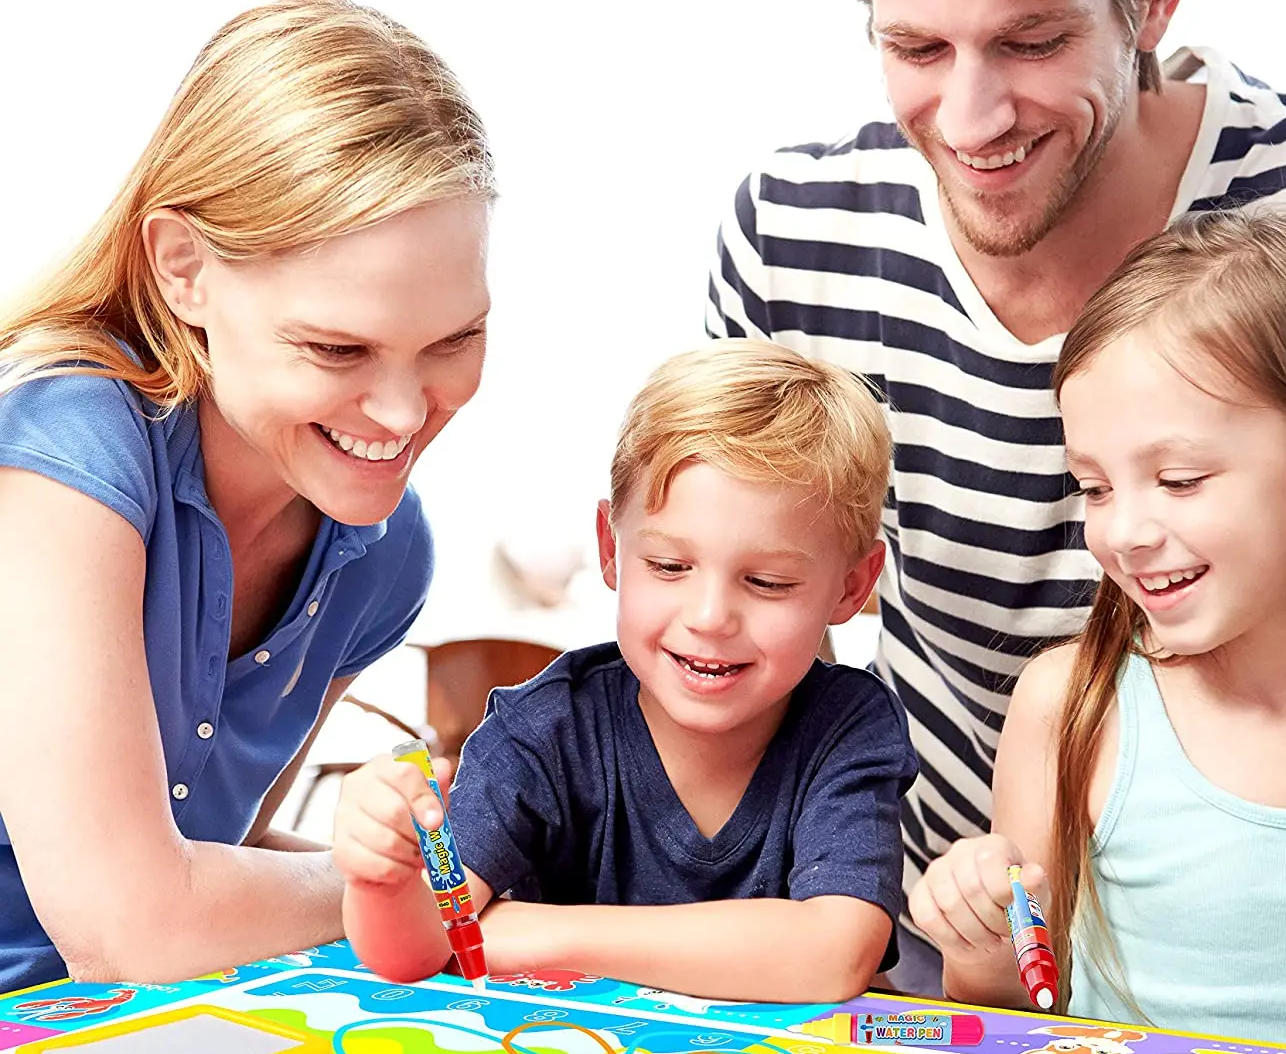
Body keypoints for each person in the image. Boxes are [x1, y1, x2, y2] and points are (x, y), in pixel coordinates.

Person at [707, 0, 1286, 998]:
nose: (971, 120)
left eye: (1031, 41)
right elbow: (739, 658)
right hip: (939, 949)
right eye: (916, 47)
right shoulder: (793, 236)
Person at [910, 208, 1286, 1054]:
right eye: (1095, 488)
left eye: (1179, 479)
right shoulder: (1071, 704)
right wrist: (980, 951)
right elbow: (1018, 1019)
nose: (1124, 532)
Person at [0, 0, 493, 994]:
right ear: (184, 270)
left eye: (454, 339)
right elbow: (134, 927)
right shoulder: (64, 445)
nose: (403, 413)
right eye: (337, 349)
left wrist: (422, 864)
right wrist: (448, 887)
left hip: (105, 1041)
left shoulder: (384, 549)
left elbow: (221, 863)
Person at [333, 339, 916, 1003]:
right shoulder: (544, 730)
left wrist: (531, 933)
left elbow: (834, 955)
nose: (709, 617)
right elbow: (421, 944)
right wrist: (380, 882)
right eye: (669, 566)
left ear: (852, 586)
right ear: (611, 547)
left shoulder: (847, 725)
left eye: (768, 582)